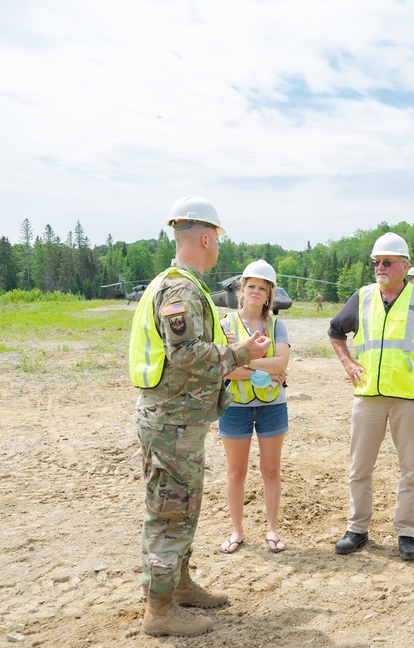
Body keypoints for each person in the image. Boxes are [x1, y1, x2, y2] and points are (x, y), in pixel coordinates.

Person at [128, 195, 270, 638]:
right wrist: (242, 352)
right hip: (171, 424)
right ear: (206, 238)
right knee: (170, 512)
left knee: (182, 507)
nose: (219, 249)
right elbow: (187, 354)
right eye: (218, 241)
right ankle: (160, 611)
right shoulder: (181, 289)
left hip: (177, 421)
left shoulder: (179, 284)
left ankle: (180, 585)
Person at [328, 232, 414, 561]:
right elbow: (335, 331)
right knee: (359, 467)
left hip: (410, 400)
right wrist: (347, 361)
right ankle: (357, 529)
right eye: (376, 262)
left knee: (411, 468)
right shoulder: (363, 297)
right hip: (368, 397)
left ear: (404, 265)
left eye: (387, 262)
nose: (380, 267)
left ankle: (407, 533)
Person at [218, 260, 291, 555]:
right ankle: (237, 531)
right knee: (236, 473)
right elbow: (222, 370)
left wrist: (241, 359)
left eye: (262, 288)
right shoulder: (225, 325)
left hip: (272, 406)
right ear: (241, 289)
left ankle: (272, 530)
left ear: (269, 294)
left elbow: (282, 363)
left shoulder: (277, 325)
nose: (256, 292)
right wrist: (262, 372)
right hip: (235, 406)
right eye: (251, 286)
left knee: (271, 470)